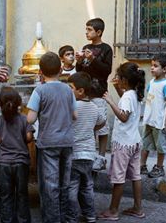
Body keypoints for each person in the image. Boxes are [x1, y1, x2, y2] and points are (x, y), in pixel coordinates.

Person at [26, 52, 77, 223]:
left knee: (50, 185)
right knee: (65, 183)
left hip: (48, 143)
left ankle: (52, 219)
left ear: (40, 71)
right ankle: (65, 218)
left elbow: (30, 119)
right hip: (67, 141)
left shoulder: (39, 90)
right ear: (61, 69)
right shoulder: (68, 90)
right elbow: (75, 115)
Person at [99, 62, 146, 220]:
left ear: (125, 80)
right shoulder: (135, 93)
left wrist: (110, 101)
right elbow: (126, 104)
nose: (116, 78)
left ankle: (113, 210)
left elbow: (124, 116)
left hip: (123, 144)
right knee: (135, 176)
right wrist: (117, 89)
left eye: (119, 77)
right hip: (135, 141)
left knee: (118, 178)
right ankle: (138, 208)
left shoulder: (127, 96)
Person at [66, 72, 106, 223]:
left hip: (74, 153)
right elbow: (102, 122)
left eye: (71, 88)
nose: (68, 91)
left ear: (80, 91)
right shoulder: (95, 108)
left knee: (72, 187)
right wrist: (92, 128)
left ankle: (71, 217)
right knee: (87, 187)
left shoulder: (73, 107)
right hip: (89, 154)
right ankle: (90, 215)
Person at [75, 18, 112, 170]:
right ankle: (91, 154)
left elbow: (106, 71)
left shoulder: (106, 49)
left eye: (90, 30)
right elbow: (80, 72)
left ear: (99, 32)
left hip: (99, 93)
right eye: (86, 29)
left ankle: (102, 157)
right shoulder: (86, 47)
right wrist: (79, 61)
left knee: (102, 126)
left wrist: (93, 59)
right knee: (89, 125)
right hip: (86, 94)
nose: (87, 32)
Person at [0, 87, 34, 223]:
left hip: (4, 163)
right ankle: (23, 220)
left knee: (5, 195)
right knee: (22, 194)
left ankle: (7, 220)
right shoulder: (24, 119)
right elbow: (29, 137)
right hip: (21, 162)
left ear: (0, 104)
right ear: (18, 102)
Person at [140, 54, 166, 178]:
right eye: (151, 65)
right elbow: (149, 99)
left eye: (155, 66)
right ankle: (142, 165)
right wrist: (144, 113)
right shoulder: (152, 82)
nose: (152, 68)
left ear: (164, 69)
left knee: (160, 145)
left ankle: (159, 167)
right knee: (145, 143)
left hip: (159, 121)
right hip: (149, 120)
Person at [89, 79, 109, 171]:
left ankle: (101, 158)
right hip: (87, 91)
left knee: (102, 128)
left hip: (99, 93)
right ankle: (91, 156)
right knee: (90, 128)